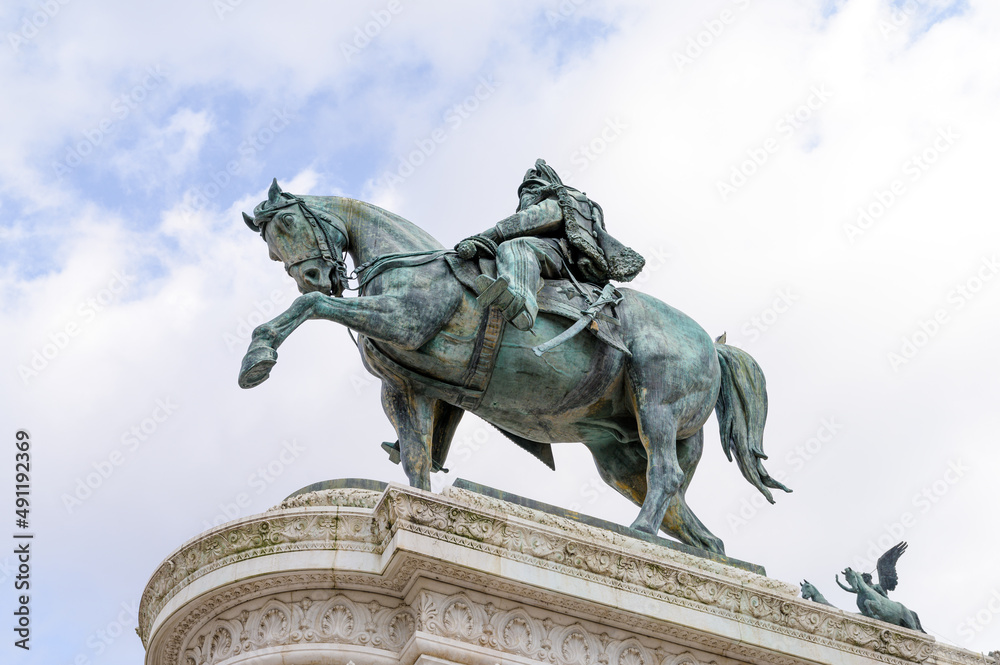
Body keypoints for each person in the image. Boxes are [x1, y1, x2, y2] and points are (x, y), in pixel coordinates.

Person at [455, 159, 645, 330]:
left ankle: (521, 304)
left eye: (527, 194)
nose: (525, 200)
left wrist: (485, 236)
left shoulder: (561, 196)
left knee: (517, 247)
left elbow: (534, 218)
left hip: (560, 253)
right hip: (561, 256)